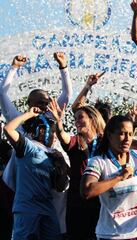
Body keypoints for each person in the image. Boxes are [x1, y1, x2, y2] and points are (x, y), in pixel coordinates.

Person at [1, 53, 73, 236]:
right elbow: (2, 94)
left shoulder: (52, 115)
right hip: (26, 181)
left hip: (51, 171)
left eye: (46, 102)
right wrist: (14, 68)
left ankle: (61, 231)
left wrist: (63, 67)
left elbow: (67, 94)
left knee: (57, 208)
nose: (44, 106)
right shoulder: (21, 119)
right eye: (40, 103)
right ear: (30, 103)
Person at [80, 115, 137, 239]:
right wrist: (119, 177)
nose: (127, 139)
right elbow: (86, 191)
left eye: (130, 134)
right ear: (110, 135)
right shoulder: (98, 161)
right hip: (110, 234)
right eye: (122, 134)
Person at [3, 107, 69, 239]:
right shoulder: (27, 147)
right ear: (42, 131)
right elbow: (8, 129)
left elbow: (60, 187)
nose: (55, 137)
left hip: (48, 209)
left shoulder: (54, 155)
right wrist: (28, 114)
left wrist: (61, 165)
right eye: (53, 133)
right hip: (27, 209)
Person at [49, 100, 105, 240]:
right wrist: (59, 121)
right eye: (75, 119)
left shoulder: (105, 142)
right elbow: (62, 135)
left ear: (92, 118)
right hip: (77, 203)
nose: (76, 122)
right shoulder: (77, 142)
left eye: (80, 117)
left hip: (101, 201)